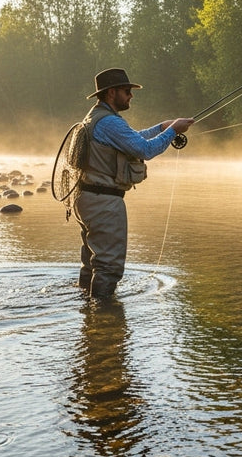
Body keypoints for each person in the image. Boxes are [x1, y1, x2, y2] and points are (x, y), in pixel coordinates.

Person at [75, 68, 193, 299]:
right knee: (109, 267)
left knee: (91, 263)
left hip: (87, 198)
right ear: (111, 93)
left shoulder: (96, 117)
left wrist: (162, 128)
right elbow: (144, 149)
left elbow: (131, 138)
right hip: (104, 203)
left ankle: (85, 310)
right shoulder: (109, 122)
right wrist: (172, 131)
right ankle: (104, 319)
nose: (131, 96)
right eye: (127, 91)